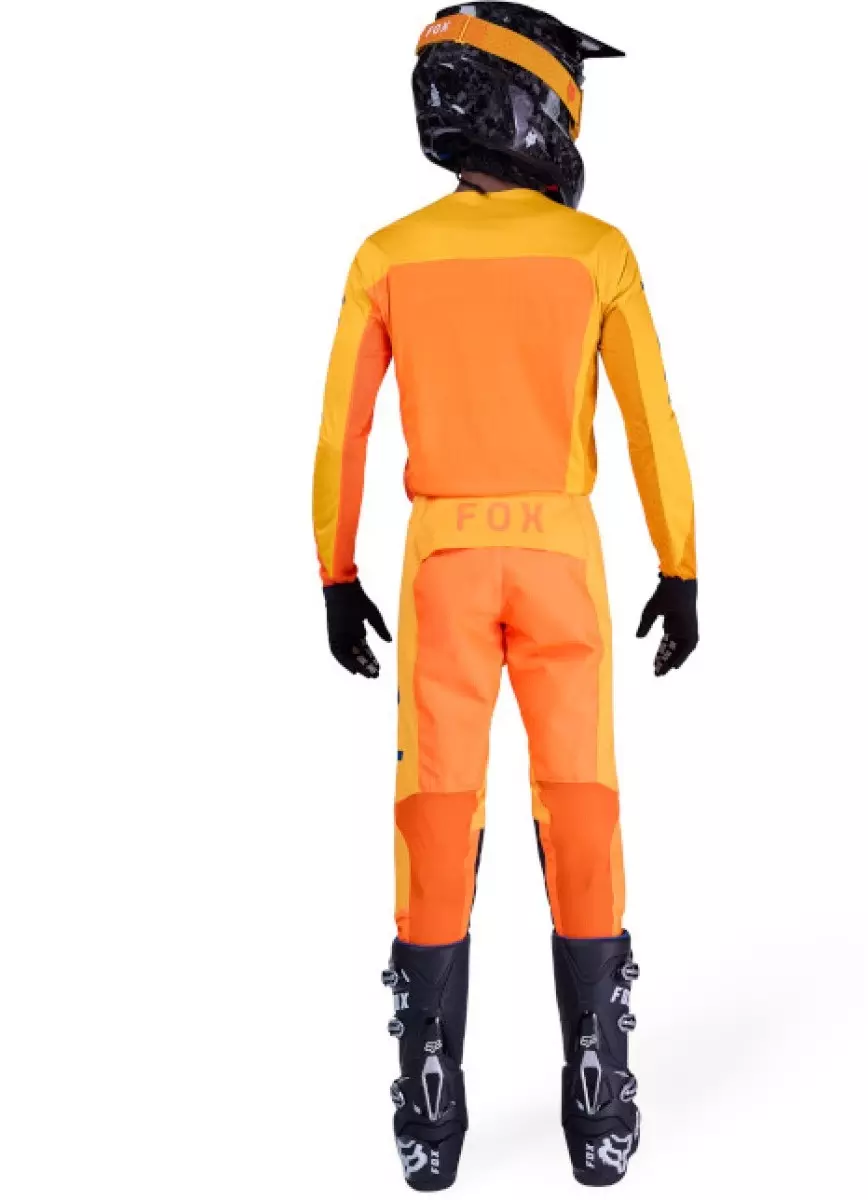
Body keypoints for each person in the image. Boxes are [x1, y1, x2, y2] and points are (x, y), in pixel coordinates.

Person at [312, 4, 697, 1188]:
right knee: (582, 802)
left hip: (442, 560)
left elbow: (341, 434)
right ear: (539, 110)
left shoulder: (387, 255)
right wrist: (680, 564)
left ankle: (428, 1110)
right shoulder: (599, 253)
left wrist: (336, 572)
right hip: (562, 557)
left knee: (435, 812)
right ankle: (601, 1100)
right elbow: (651, 423)